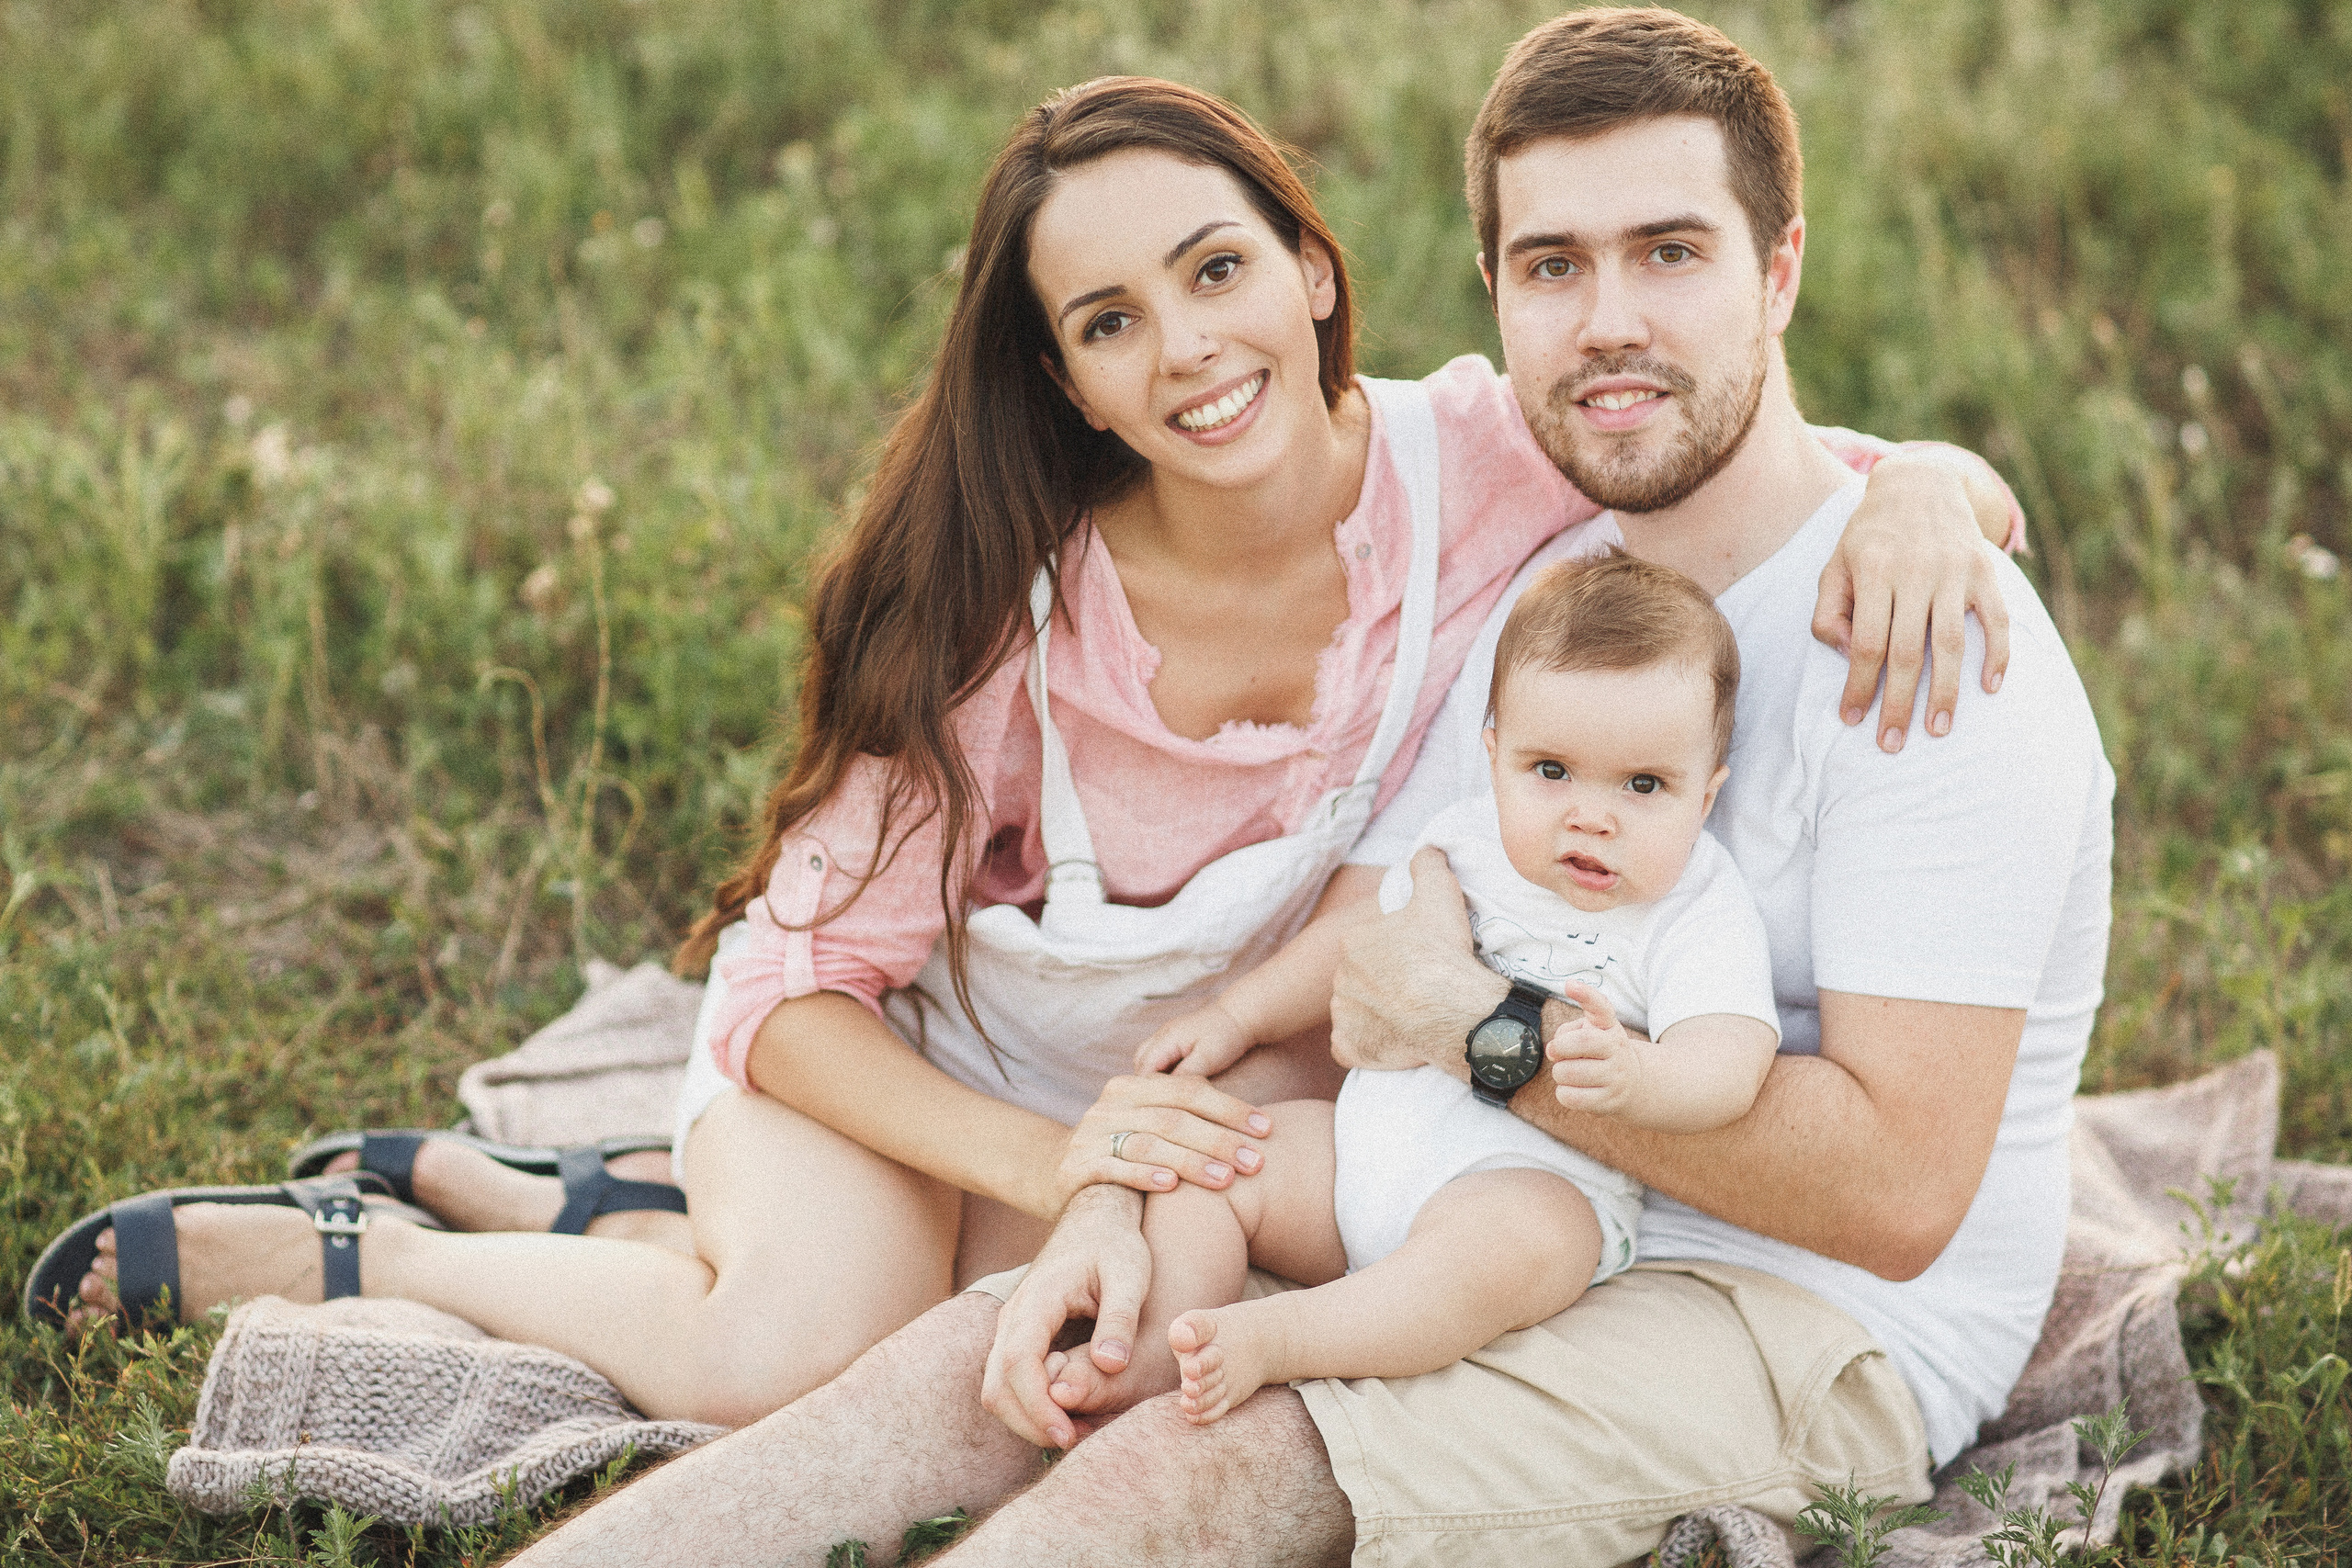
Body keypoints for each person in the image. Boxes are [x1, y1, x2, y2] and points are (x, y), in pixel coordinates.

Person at [40, 70, 2007, 1442]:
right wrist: (1057, 1162)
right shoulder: (1005, 613)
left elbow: (1776, 464)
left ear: (1314, 268)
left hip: (1207, 1115)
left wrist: (1932, 485)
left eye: (1218, 270)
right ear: (1061, 376)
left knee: (1109, 1335)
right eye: (1110, 320)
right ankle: (376, 1254)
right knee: (786, 1351)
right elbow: (804, 1001)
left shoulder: (1496, 460)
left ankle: (574, 1193)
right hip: (917, 1081)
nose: (1190, 348)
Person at [500, 10, 2111, 1567]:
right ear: (1494, 294)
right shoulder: (1543, 588)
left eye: (1670, 252)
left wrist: (1472, 1034)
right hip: (1477, 1187)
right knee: (1011, 1346)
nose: (1609, 321)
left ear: (1781, 271)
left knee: (1194, 1462)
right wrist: (1127, 1185)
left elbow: (1896, 1195)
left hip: (1795, 1304)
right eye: (1553, 265)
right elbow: (1356, 963)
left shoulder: (1929, 643)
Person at [1089, 550, 1781, 1426]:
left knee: (1507, 1251)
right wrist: (1238, 1014)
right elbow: (1360, 941)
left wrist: (1642, 1075)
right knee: (1218, 1164)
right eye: (1551, 770)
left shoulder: (1696, 906)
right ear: (1493, 756)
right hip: (1360, 1157)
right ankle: (1158, 1349)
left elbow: (1733, 1056)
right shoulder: (1464, 841)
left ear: (1706, 796)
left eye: (1645, 785)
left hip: (1530, 1181)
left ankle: (1280, 1337)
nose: (1591, 814)